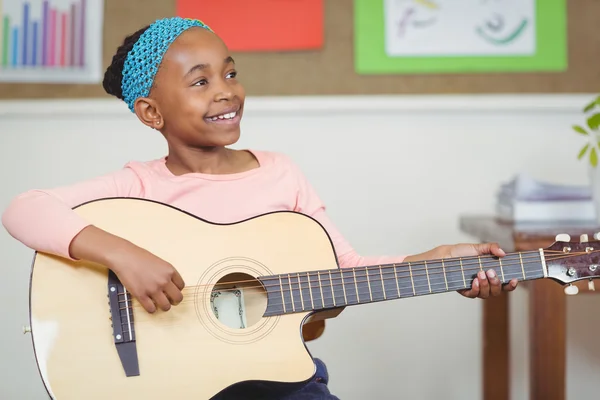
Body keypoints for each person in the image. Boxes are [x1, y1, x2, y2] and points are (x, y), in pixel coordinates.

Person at [1, 17, 518, 400]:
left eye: (230, 73)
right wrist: (122, 255)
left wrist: (442, 261)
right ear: (151, 112)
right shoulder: (137, 187)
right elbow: (25, 207)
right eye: (200, 81)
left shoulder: (279, 173)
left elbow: (344, 274)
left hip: (281, 383)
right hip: (174, 388)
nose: (227, 92)